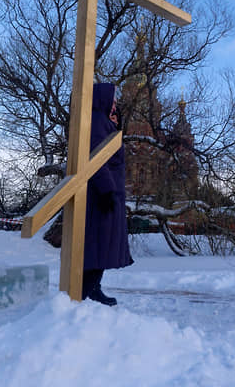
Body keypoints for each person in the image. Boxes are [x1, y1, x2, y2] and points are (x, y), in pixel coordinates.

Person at [82, 82, 133, 306]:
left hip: (109, 192)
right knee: (98, 243)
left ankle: (93, 288)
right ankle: (85, 291)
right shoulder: (96, 122)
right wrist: (106, 190)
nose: (115, 105)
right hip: (100, 194)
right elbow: (95, 158)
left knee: (102, 243)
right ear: (102, 100)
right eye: (112, 101)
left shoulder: (103, 122)